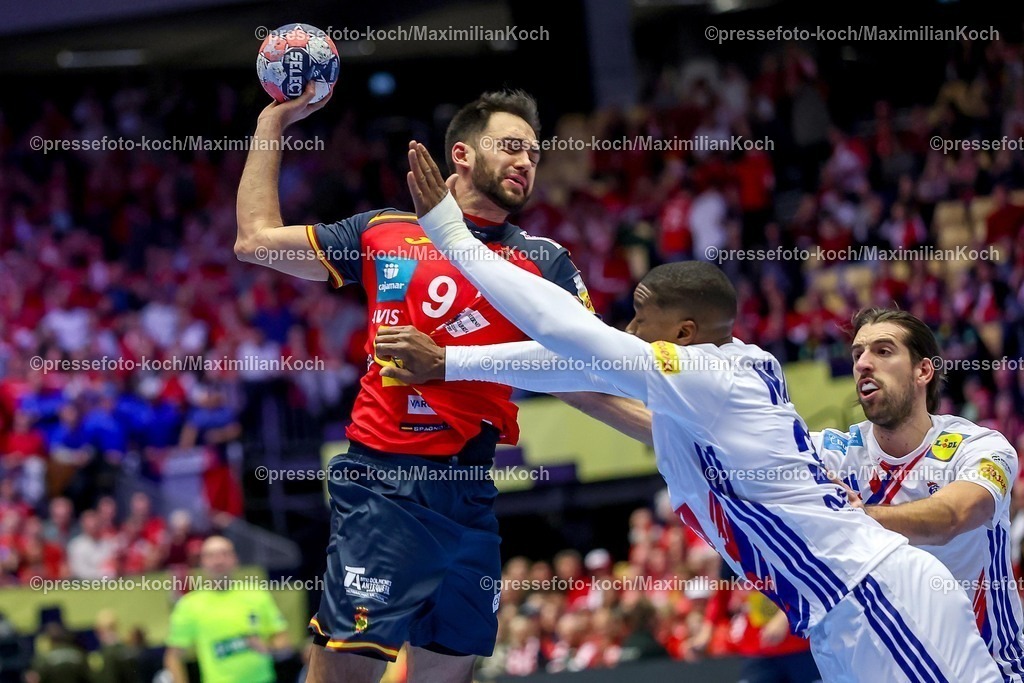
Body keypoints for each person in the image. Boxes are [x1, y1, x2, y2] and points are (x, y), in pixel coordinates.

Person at [373, 141, 1003, 681]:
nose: (627, 329)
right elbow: (572, 363)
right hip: (841, 614)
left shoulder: (713, 372)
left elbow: (572, 336)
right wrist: (452, 363)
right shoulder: (703, 397)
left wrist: (450, 235)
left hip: (873, 596)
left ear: (684, 331)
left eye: (640, 320)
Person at [234, 84, 649, 683]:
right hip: (386, 486)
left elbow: (582, 376)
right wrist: (273, 122)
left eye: (533, 153)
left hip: (472, 492)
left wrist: (671, 433)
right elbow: (255, 241)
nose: (525, 162)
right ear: (461, 154)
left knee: (446, 675)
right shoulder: (382, 232)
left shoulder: (544, 261)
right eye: (510, 146)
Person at [813, 308, 1024, 679]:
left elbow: (953, 517)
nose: (863, 363)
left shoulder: (981, 447)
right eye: (857, 354)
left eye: (882, 351)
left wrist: (855, 515)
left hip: (985, 666)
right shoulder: (834, 451)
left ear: (923, 371)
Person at [164, 536, 291, 683]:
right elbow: (173, 657)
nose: (218, 560)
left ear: (235, 559)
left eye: (224, 554)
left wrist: (269, 648)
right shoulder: (189, 605)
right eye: (211, 555)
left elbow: (284, 643)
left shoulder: (258, 596)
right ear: (202, 562)